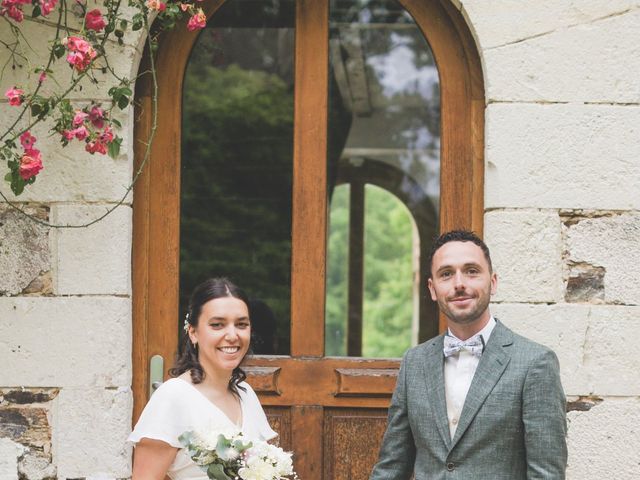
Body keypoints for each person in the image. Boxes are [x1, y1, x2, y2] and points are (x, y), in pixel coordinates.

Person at [369, 230, 567, 479]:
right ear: (432, 288)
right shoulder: (414, 363)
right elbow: (391, 466)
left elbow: (546, 474)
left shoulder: (535, 363)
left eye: (472, 271)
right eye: (446, 274)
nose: (459, 283)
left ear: (492, 282)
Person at [128, 277, 277, 479]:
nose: (232, 335)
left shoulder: (245, 393)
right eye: (217, 325)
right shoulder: (173, 397)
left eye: (241, 324)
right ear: (193, 332)